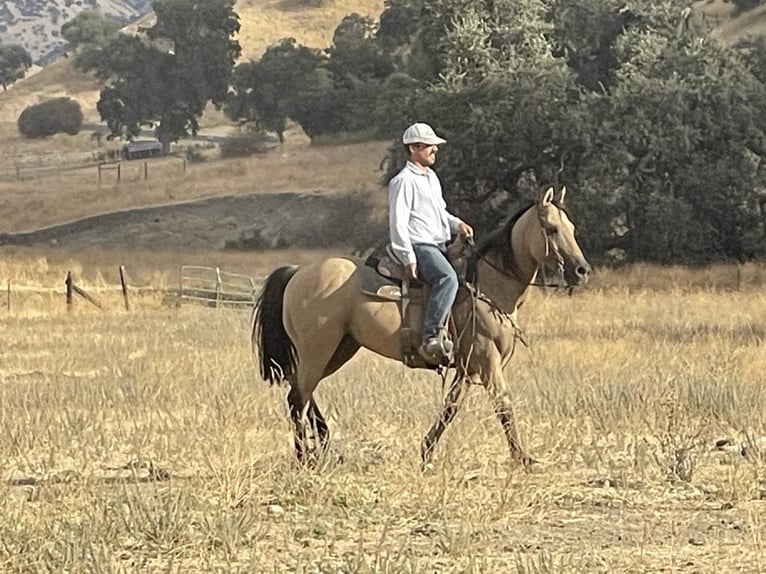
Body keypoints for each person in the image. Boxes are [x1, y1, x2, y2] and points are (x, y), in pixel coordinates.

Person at [388, 122, 474, 364]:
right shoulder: (403, 181)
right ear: (414, 148)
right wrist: (408, 256)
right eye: (430, 146)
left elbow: (440, 212)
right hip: (421, 245)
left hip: (438, 244)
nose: (435, 150)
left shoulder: (431, 178)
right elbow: (398, 223)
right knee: (447, 278)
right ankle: (431, 337)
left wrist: (458, 224)